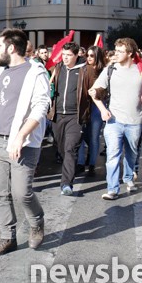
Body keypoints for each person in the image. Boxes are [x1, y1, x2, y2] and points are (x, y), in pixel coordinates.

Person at [0, 28, 49, 256]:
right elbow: (1, 102)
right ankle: (8, 238)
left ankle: (36, 222)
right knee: (0, 193)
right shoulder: (2, 70)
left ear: (11, 48)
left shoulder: (35, 71)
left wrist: (21, 135)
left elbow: (42, 106)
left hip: (23, 143)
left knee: (21, 192)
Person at [89, 38, 142, 200]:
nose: (116, 54)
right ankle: (112, 188)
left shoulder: (140, 70)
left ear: (130, 54)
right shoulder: (110, 69)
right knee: (113, 155)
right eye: (116, 50)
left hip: (135, 120)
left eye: (121, 51)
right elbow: (94, 91)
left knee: (131, 153)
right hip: (114, 121)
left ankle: (128, 177)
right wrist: (102, 110)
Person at [49, 42, 95, 196]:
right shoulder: (57, 68)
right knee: (61, 148)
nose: (65, 58)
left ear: (76, 55)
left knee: (70, 148)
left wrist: (96, 92)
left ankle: (66, 183)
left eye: (69, 55)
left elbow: (99, 89)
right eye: (63, 55)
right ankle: (68, 170)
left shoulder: (85, 70)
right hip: (57, 116)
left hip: (75, 116)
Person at [77, 46, 106, 176]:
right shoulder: (83, 69)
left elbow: (105, 90)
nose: (88, 58)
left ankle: (92, 163)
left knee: (94, 137)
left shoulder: (104, 71)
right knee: (81, 135)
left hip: (97, 106)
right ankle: (80, 162)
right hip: (84, 105)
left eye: (92, 55)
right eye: (87, 55)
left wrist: (97, 91)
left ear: (97, 57)